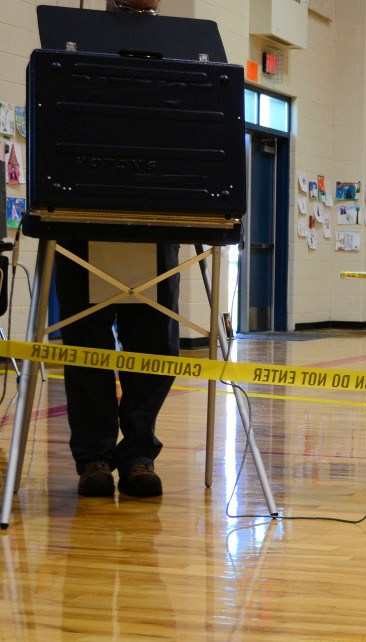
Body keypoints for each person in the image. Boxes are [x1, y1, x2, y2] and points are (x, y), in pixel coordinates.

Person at [58, 0, 177, 497]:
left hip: (155, 216)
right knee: (86, 341)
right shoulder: (71, 42)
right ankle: (94, 456)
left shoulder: (181, 50)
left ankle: (139, 453)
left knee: (155, 342)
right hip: (84, 215)